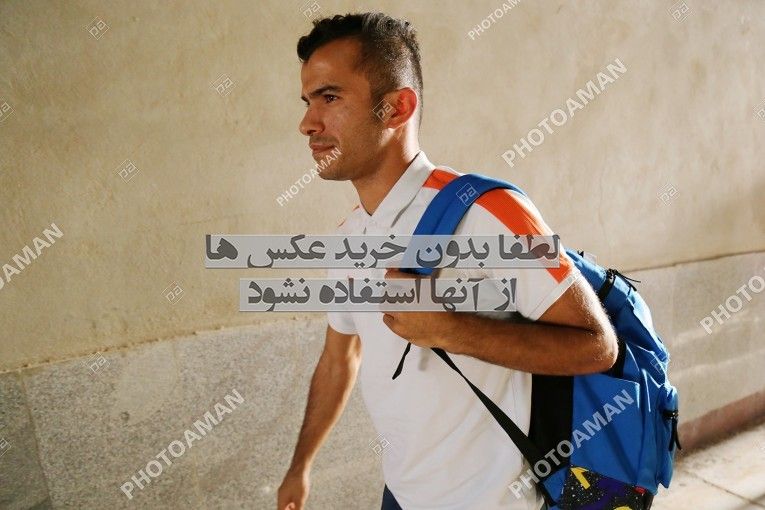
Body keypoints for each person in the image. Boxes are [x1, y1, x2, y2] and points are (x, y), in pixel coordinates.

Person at [277, 12, 618, 510]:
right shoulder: (350, 236)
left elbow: (597, 347)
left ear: (396, 108)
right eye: (308, 101)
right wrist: (300, 466)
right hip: (400, 497)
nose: (308, 123)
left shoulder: (492, 211)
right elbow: (338, 359)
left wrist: (448, 330)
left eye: (330, 98)